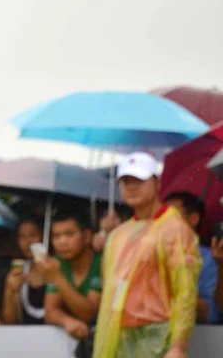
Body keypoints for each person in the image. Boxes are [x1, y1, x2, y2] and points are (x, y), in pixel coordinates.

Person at [93, 152, 202, 358]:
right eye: (126, 181)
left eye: (139, 180)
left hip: (156, 336)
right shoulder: (119, 234)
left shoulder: (174, 229)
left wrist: (178, 345)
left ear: (157, 182)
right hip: (119, 334)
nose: (132, 187)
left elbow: (185, 292)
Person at [37, 211, 102, 341]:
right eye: (56, 236)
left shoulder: (101, 263)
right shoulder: (58, 263)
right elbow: (50, 312)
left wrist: (57, 278)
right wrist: (66, 321)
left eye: (69, 234)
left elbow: (89, 314)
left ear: (87, 236)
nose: (62, 242)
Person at [164, 191, 219, 324]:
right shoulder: (153, 253)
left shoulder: (210, 260)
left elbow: (211, 313)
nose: (164, 222)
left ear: (193, 219)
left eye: (172, 215)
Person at [2, 215, 47, 325]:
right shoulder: (19, 272)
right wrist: (10, 291)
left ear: (44, 236)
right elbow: (10, 320)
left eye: (33, 235)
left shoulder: (57, 267)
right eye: (22, 236)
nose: (28, 242)